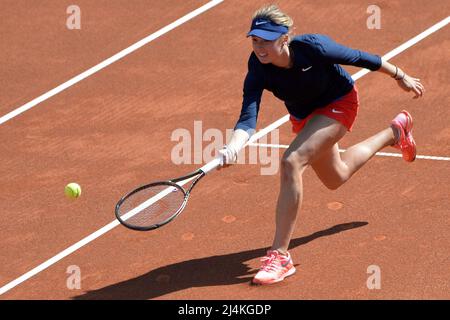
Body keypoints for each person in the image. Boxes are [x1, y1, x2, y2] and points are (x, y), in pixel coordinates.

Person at [217, 4, 425, 285]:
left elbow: (362, 58)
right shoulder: (257, 68)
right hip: (305, 116)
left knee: (292, 161)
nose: (260, 47)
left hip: (339, 102)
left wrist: (400, 75)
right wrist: (234, 146)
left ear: (284, 38)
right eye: (255, 40)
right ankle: (395, 133)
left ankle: (280, 256)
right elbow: (248, 114)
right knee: (336, 177)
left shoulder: (314, 47)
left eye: (266, 40)